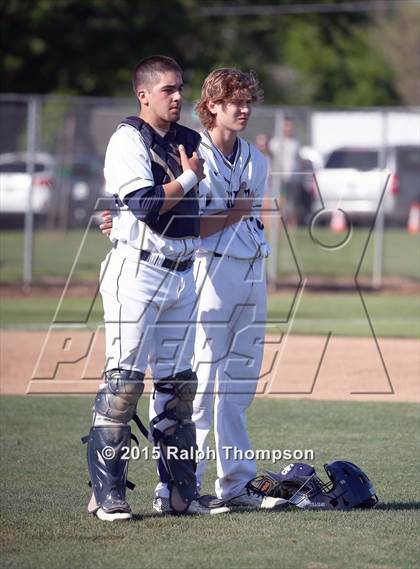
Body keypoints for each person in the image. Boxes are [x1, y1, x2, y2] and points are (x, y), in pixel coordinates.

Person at [99, 67, 286, 511]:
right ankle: (185, 485)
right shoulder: (190, 148)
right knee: (196, 388)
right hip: (205, 271)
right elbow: (170, 217)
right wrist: (118, 219)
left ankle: (236, 484)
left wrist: (237, 215)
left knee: (239, 386)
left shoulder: (256, 161)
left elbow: (241, 216)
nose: (243, 109)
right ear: (212, 106)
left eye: (247, 102)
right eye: (234, 102)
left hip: (250, 272)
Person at [84, 55, 232, 521]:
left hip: (184, 271)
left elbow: (201, 211)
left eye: (180, 88)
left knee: (178, 386)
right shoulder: (128, 139)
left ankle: (177, 492)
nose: (178, 96)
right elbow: (147, 205)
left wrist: (228, 206)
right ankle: (107, 494)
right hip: (139, 271)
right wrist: (187, 179)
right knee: (124, 384)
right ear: (143, 94)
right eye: (167, 89)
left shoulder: (191, 140)